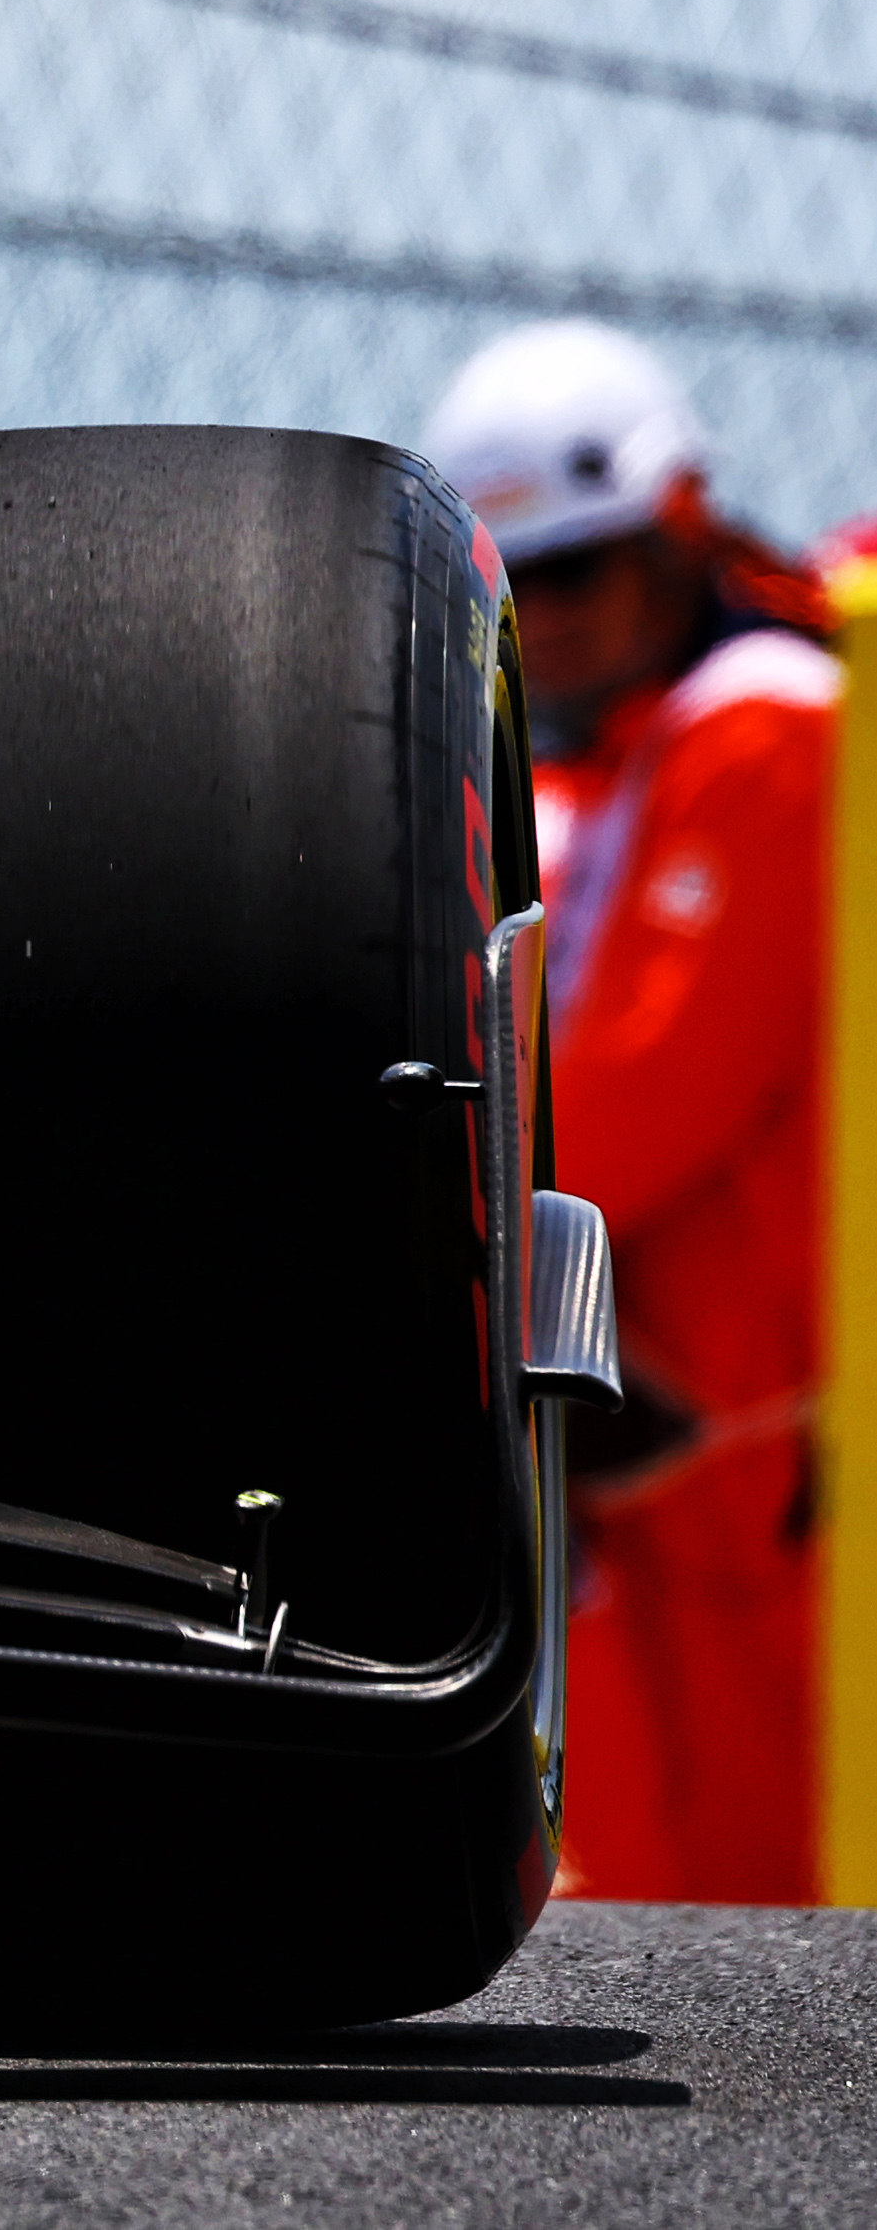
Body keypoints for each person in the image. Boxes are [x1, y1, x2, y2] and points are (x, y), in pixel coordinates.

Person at [427, 319, 837, 1902]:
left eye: (585, 571)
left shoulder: (764, 730)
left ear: (677, 533)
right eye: (520, 590)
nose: (561, 623)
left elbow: (640, 1094)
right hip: (650, 1448)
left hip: (741, 1469)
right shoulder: (644, 754)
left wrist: (429, 1205)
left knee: (765, 1938)